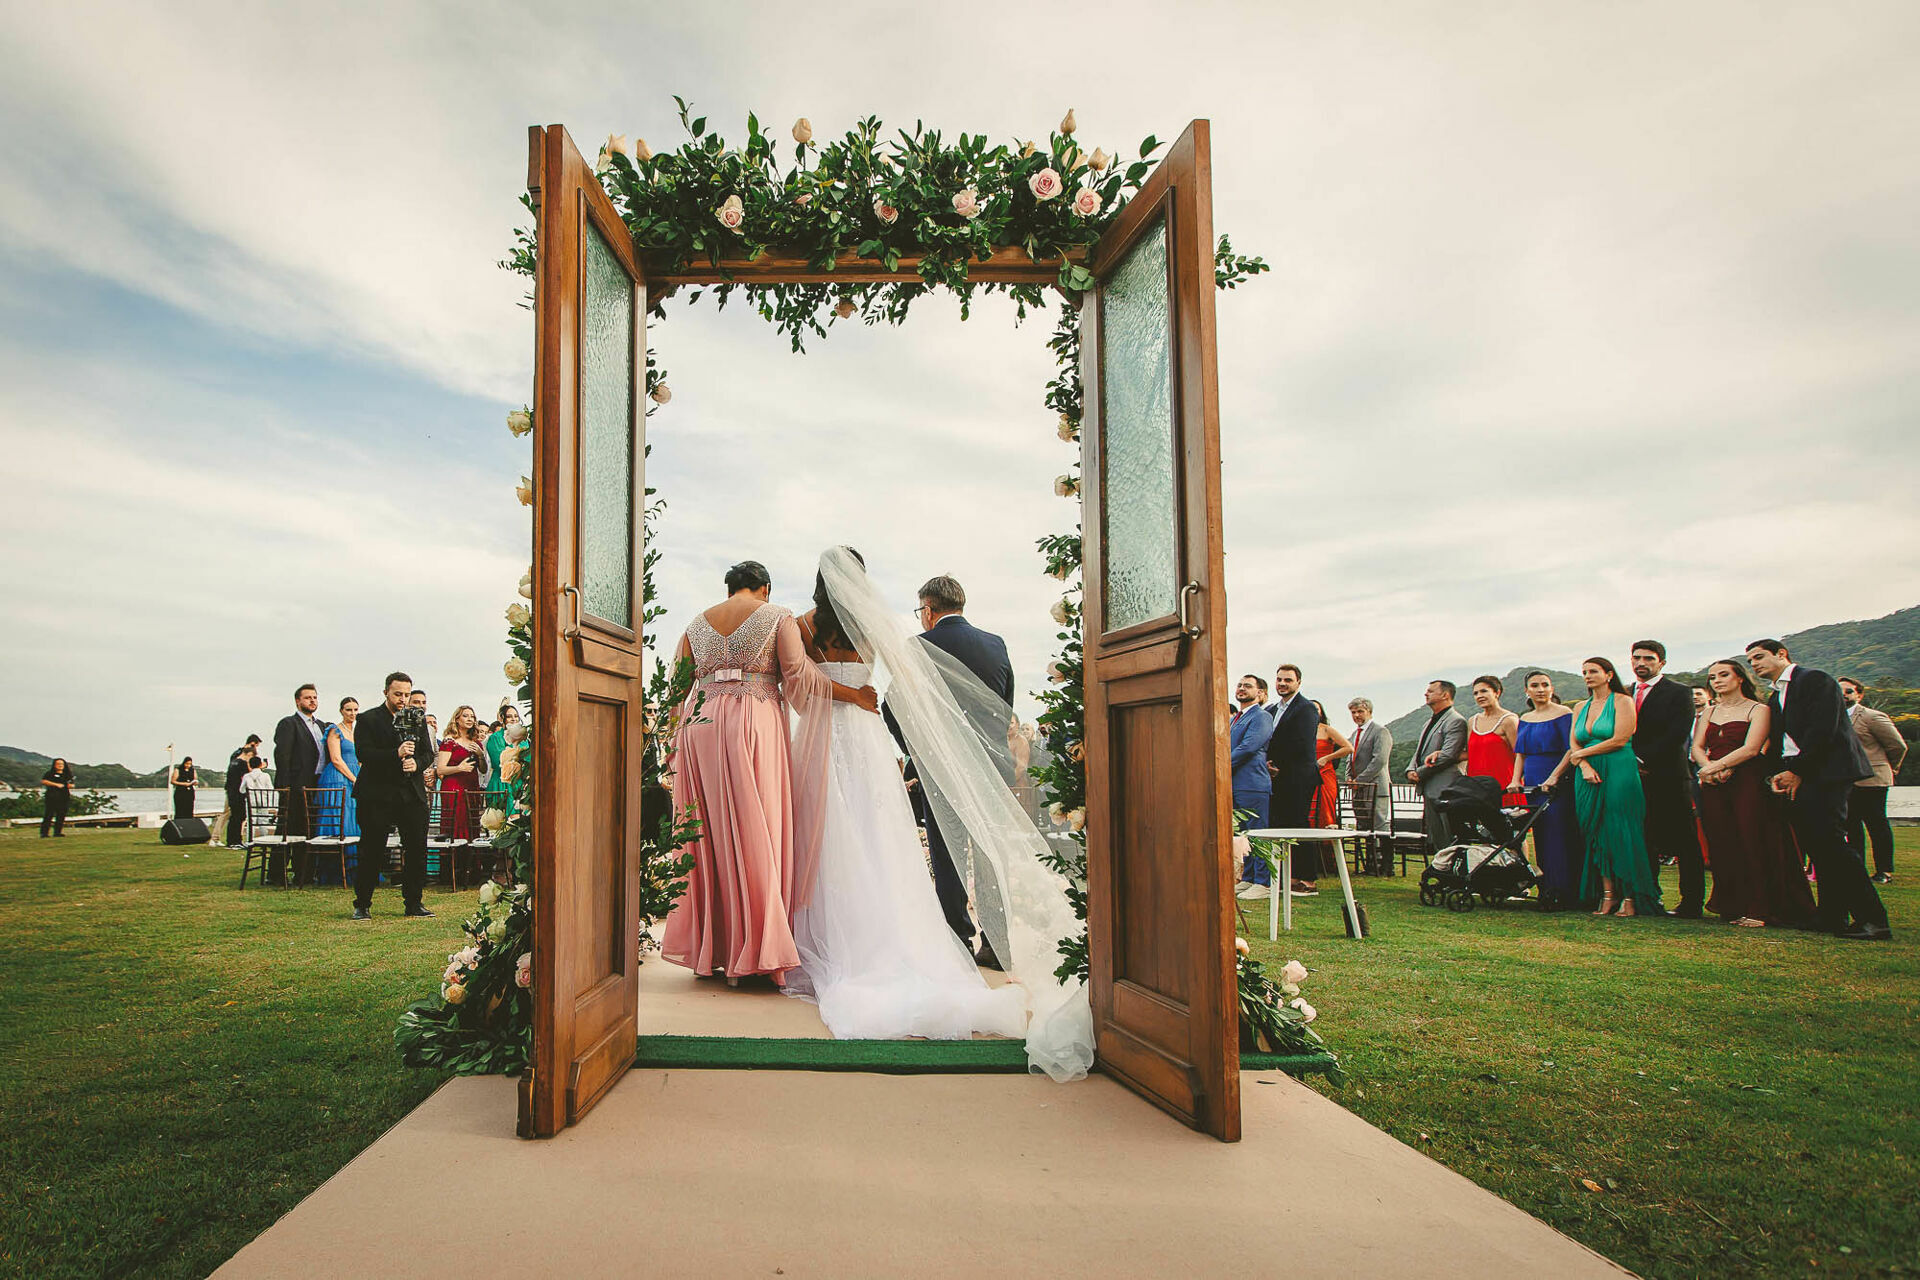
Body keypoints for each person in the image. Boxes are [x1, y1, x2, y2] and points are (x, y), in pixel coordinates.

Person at [781, 548, 1030, 1042]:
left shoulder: (802, 626)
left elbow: (797, 687)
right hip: (870, 739)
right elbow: (936, 696)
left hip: (822, 737)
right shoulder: (879, 628)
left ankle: (818, 935)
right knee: (882, 834)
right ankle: (953, 940)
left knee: (822, 828)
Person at [661, 560, 868, 985]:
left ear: (731, 587)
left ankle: (714, 950)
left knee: (708, 832)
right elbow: (798, 677)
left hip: (700, 726)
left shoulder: (695, 624)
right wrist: (853, 695)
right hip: (753, 722)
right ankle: (757, 952)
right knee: (761, 829)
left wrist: (672, 742)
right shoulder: (778, 617)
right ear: (765, 588)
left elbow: (676, 688)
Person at [885, 573, 1017, 967]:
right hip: (992, 767)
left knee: (947, 851)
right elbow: (1005, 705)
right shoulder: (996, 645)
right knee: (992, 854)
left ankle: (958, 940)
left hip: (942, 768)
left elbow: (892, 706)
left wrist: (916, 752)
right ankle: (996, 946)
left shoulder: (918, 647)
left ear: (928, 610)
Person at [1745, 640, 1890, 940]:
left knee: (1832, 843)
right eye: (1750, 660)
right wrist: (1778, 772)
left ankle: (1873, 919)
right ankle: (1831, 915)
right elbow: (1782, 738)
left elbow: (1823, 730)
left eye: (1759, 657)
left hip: (1826, 773)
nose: (1754, 664)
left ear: (1781, 654)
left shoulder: (1814, 679)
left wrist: (1798, 770)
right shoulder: (1776, 695)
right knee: (1817, 848)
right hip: (1798, 771)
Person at [1694, 660, 1813, 928]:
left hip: (1747, 780)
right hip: (1714, 783)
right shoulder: (1708, 712)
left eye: (1724, 675)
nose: (1717, 681)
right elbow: (1697, 747)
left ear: (1740, 679)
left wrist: (1718, 766)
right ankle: (1732, 905)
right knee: (1723, 842)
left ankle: (1761, 908)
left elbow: (1752, 748)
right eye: (1712, 677)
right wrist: (1708, 769)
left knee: (1753, 840)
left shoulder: (1759, 709)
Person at [1554, 657, 1662, 917]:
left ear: (1609, 674)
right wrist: (1583, 765)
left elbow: (1621, 738)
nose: (1588, 676)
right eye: (1584, 672)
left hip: (1618, 769)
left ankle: (1630, 896)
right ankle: (1607, 895)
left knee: (1621, 830)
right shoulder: (1580, 706)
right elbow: (1574, 744)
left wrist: (1582, 755)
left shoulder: (1623, 701)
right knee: (1594, 832)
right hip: (1587, 772)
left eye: (1593, 671)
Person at [1628, 641, 1707, 917]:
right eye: (1636, 658)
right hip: (1631, 779)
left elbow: (1677, 734)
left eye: (1648, 658)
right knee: (1643, 839)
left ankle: (1692, 902)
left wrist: (1640, 760)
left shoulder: (1679, 692)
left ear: (1661, 663)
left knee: (1685, 841)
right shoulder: (1625, 694)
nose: (1641, 663)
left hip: (1669, 777)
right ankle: (1649, 898)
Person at [351, 671, 436, 919]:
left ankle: (414, 903)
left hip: (411, 794)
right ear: (386, 692)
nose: (403, 699)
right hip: (377, 794)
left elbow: (428, 753)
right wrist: (395, 754)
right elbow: (364, 754)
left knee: (417, 849)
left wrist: (417, 764)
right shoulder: (368, 719)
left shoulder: (416, 719)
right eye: (398, 694)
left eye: (407, 694)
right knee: (371, 849)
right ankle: (362, 904)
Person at [1510, 672, 1584, 909]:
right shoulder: (1525, 717)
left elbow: (1571, 748)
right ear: (1527, 691)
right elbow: (1520, 752)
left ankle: (1565, 891)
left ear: (1552, 689)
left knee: (1559, 833)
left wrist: (1555, 776)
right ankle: (1547, 888)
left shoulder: (1564, 714)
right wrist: (1515, 779)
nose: (1540, 689)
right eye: (1535, 686)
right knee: (1540, 834)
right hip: (1532, 780)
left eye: (1544, 685)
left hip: (1557, 778)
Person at [1841, 677, 1907, 884]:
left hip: (1873, 780)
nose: (1843, 694)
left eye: (1849, 691)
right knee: (1851, 827)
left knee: (1876, 825)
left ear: (1859, 695)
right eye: (1839, 690)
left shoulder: (1872, 717)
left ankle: (1884, 871)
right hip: (1845, 781)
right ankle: (1856, 868)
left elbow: (1897, 746)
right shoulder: (1833, 718)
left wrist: (1889, 768)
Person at [1263, 664, 1322, 895]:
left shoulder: (1306, 709)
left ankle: (1307, 880)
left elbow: (1301, 744)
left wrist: (1279, 766)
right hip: (1275, 776)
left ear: (1298, 682)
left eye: (1288, 680)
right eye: (1279, 680)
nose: (1282, 684)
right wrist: (1267, 765)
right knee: (1280, 825)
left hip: (1298, 776)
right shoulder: (1271, 710)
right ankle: (1287, 875)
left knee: (1299, 825)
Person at [272, 683, 326, 885]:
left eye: (314, 697)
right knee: (288, 828)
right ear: (298, 701)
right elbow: (282, 756)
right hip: (295, 785)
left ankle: (305, 873)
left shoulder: (321, 725)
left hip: (316, 784)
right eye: (307, 698)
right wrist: (284, 787)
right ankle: (276, 874)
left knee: (309, 829)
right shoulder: (289, 724)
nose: (312, 701)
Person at [1406, 679, 1468, 854]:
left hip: (1445, 786)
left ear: (1445, 695)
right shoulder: (1428, 722)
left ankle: (1453, 871)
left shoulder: (1456, 721)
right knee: (1437, 835)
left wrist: (1420, 773)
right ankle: (1441, 870)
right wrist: (1410, 770)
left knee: (1448, 833)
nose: (1426, 694)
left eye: (1431, 691)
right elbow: (1420, 751)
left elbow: (1448, 755)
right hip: (1429, 787)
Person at [1229, 674, 1276, 898]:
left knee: (1257, 831)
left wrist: (1220, 765)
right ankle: (1248, 878)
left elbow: (1249, 747)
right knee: (1242, 833)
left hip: (1252, 783)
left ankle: (1264, 882)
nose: (1241, 688)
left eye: (1248, 686)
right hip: (1234, 783)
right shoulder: (1234, 719)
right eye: (1239, 685)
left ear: (1260, 693)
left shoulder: (1262, 717)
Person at [1304, 701, 1353, 876]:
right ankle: (1311, 860)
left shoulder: (1326, 729)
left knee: (1325, 813)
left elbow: (1349, 747)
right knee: (1308, 814)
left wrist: (1327, 758)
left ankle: (1331, 861)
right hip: (1306, 776)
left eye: (1316, 709)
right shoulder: (1301, 729)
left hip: (1325, 775)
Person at [316, 696, 361, 883]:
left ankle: (356, 868)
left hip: (356, 775)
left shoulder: (357, 732)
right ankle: (334, 870)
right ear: (341, 711)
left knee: (355, 818)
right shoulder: (335, 730)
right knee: (339, 818)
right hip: (337, 778)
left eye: (355, 710)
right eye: (348, 709)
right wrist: (354, 779)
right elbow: (335, 758)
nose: (352, 713)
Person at [1346, 698, 1393, 874]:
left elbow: (1379, 760)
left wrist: (1361, 780)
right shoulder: (1355, 734)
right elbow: (1350, 758)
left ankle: (1385, 865)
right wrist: (1349, 778)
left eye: (1360, 712)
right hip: (1359, 789)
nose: (1357, 715)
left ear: (1369, 711)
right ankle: (1370, 863)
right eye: (1353, 712)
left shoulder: (1380, 732)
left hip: (1375, 787)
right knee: (1363, 826)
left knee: (1379, 825)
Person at [1465, 675, 1520, 803]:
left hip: (1504, 785)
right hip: (1477, 786)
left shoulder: (1509, 720)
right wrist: (1441, 754)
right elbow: (1469, 753)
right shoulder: (1472, 721)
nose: (1479, 696)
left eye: (1484, 691)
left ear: (1497, 692)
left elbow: (1520, 755)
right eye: (1475, 693)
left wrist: (1516, 781)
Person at [434, 705, 485, 841]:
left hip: (472, 787)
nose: (470, 719)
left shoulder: (476, 743)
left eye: (472, 716)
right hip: (454, 787)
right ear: (457, 719)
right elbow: (440, 769)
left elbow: (483, 770)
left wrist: (480, 755)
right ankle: (453, 860)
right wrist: (459, 768)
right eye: (465, 716)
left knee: (471, 823)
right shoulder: (449, 741)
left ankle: (471, 860)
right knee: (456, 823)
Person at [213, 735, 261, 847]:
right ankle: (234, 841)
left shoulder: (234, 760)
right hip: (237, 792)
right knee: (238, 816)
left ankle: (233, 841)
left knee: (235, 816)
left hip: (231, 791)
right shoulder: (242, 763)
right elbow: (247, 776)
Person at [484, 704, 523, 809]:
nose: (514, 719)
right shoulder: (495, 738)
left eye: (516, 716)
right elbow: (499, 763)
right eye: (509, 716)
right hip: (501, 784)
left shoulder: (524, 738)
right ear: (502, 718)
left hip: (519, 785)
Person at [39, 758, 75, 837]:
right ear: (54, 765)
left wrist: (70, 786)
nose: (60, 766)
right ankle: (44, 833)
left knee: (61, 815)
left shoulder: (67, 774)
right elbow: (44, 781)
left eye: (61, 764)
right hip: (52, 797)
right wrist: (56, 784)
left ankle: (57, 832)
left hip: (64, 797)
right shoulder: (49, 773)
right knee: (49, 815)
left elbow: (72, 784)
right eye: (58, 764)